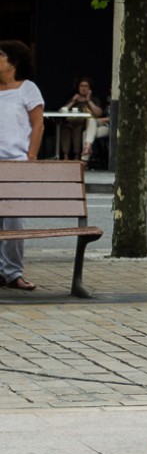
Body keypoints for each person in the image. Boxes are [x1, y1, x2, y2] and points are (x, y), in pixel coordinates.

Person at [0, 40, 44, 291]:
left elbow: (38, 125)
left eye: (0, 55)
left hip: (16, 164)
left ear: (13, 62)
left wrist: (30, 157)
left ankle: (13, 272)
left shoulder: (28, 89)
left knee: (14, 221)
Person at [59, 76, 108, 162]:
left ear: (90, 88)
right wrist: (73, 101)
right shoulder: (74, 99)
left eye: (86, 86)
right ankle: (65, 156)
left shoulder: (94, 99)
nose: (83, 88)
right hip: (72, 122)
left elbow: (98, 113)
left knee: (78, 128)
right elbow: (61, 111)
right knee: (66, 127)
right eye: (81, 86)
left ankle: (77, 156)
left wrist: (89, 100)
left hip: (86, 124)